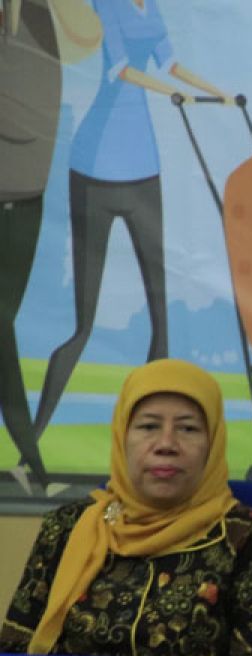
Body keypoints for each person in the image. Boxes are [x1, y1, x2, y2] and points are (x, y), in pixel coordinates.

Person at [31, 0, 234, 442]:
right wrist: (171, 95)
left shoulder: (151, 9)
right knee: (82, 329)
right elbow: (122, 70)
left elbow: (171, 63)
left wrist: (216, 93)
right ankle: (31, 441)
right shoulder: (111, 3)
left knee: (162, 324)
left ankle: (143, 445)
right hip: (95, 167)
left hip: (143, 168)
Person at [0, 358, 252, 656]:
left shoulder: (244, 534)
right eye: (148, 426)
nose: (166, 444)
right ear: (122, 438)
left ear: (213, 443)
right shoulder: (69, 525)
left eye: (188, 429)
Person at [1, 0, 99, 496]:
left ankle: (31, 464)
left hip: (26, 197)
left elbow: (89, 36)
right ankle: (34, 464)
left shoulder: (40, 16)